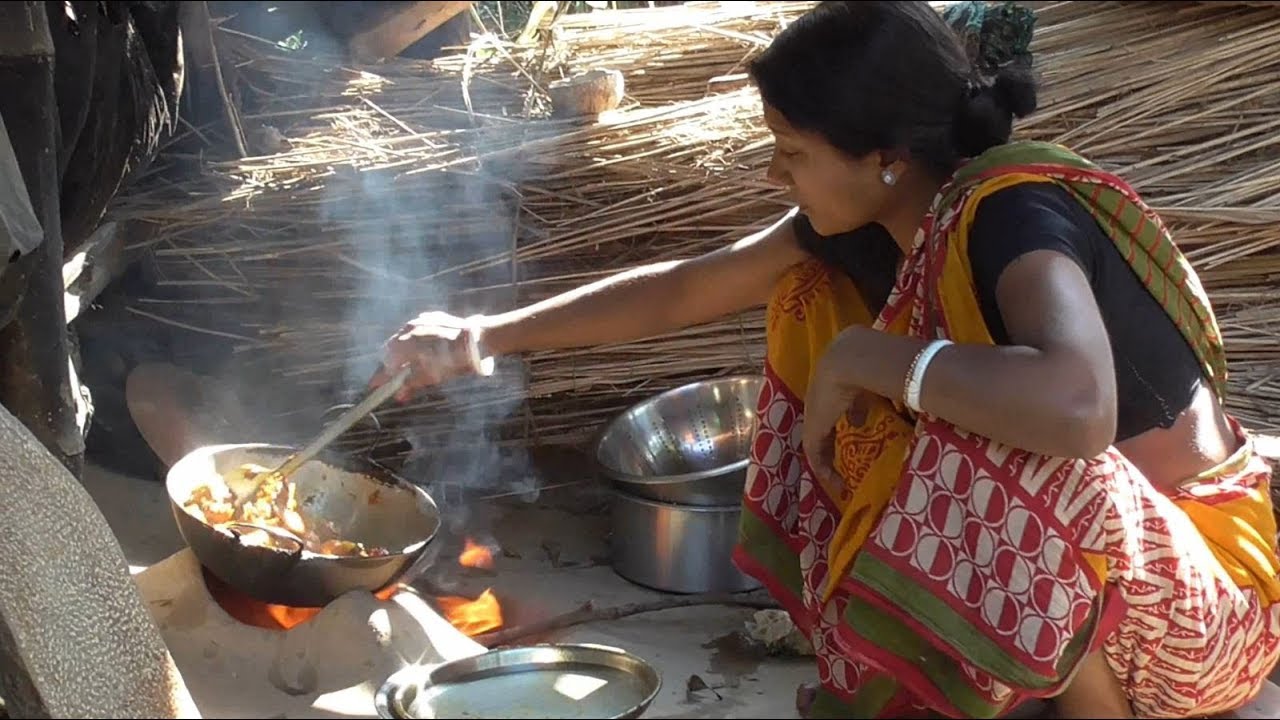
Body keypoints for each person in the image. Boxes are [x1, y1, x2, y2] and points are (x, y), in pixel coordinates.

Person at [369, 2, 1280, 717]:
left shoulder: (1013, 217)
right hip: (1095, 594)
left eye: (792, 153)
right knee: (809, 305)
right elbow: (683, 289)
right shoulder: (881, 221)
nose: (776, 174)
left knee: (1013, 442)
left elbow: (1078, 408)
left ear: (885, 157)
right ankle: (1000, 678)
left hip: (1201, 615)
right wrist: (481, 338)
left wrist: (869, 357)